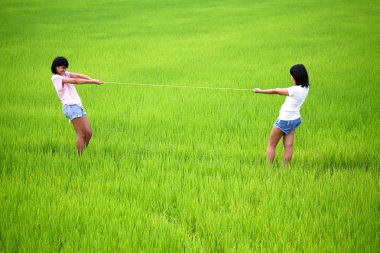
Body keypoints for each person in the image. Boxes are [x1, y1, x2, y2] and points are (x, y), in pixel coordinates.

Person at [253, 64, 309, 166]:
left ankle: (268, 169)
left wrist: (260, 91)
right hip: (295, 119)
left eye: (292, 75)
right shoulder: (306, 88)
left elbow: (276, 91)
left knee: (271, 144)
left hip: (285, 120)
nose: (291, 77)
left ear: (297, 77)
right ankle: (284, 170)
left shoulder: (294, 90)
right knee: (288, 146)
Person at [51, 56, 103, 156]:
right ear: (56, 67)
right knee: (81, 134)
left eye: (65, 68)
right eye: (62, 67)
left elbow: (78, 75)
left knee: (88, 133)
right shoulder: (56, 78)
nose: (64, 70)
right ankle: (80, 159)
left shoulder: (65, 74)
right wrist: (93, 82)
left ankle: (82, 154)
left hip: (78, 106)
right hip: (70, 107)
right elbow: (76, 80)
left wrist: (92, 79)